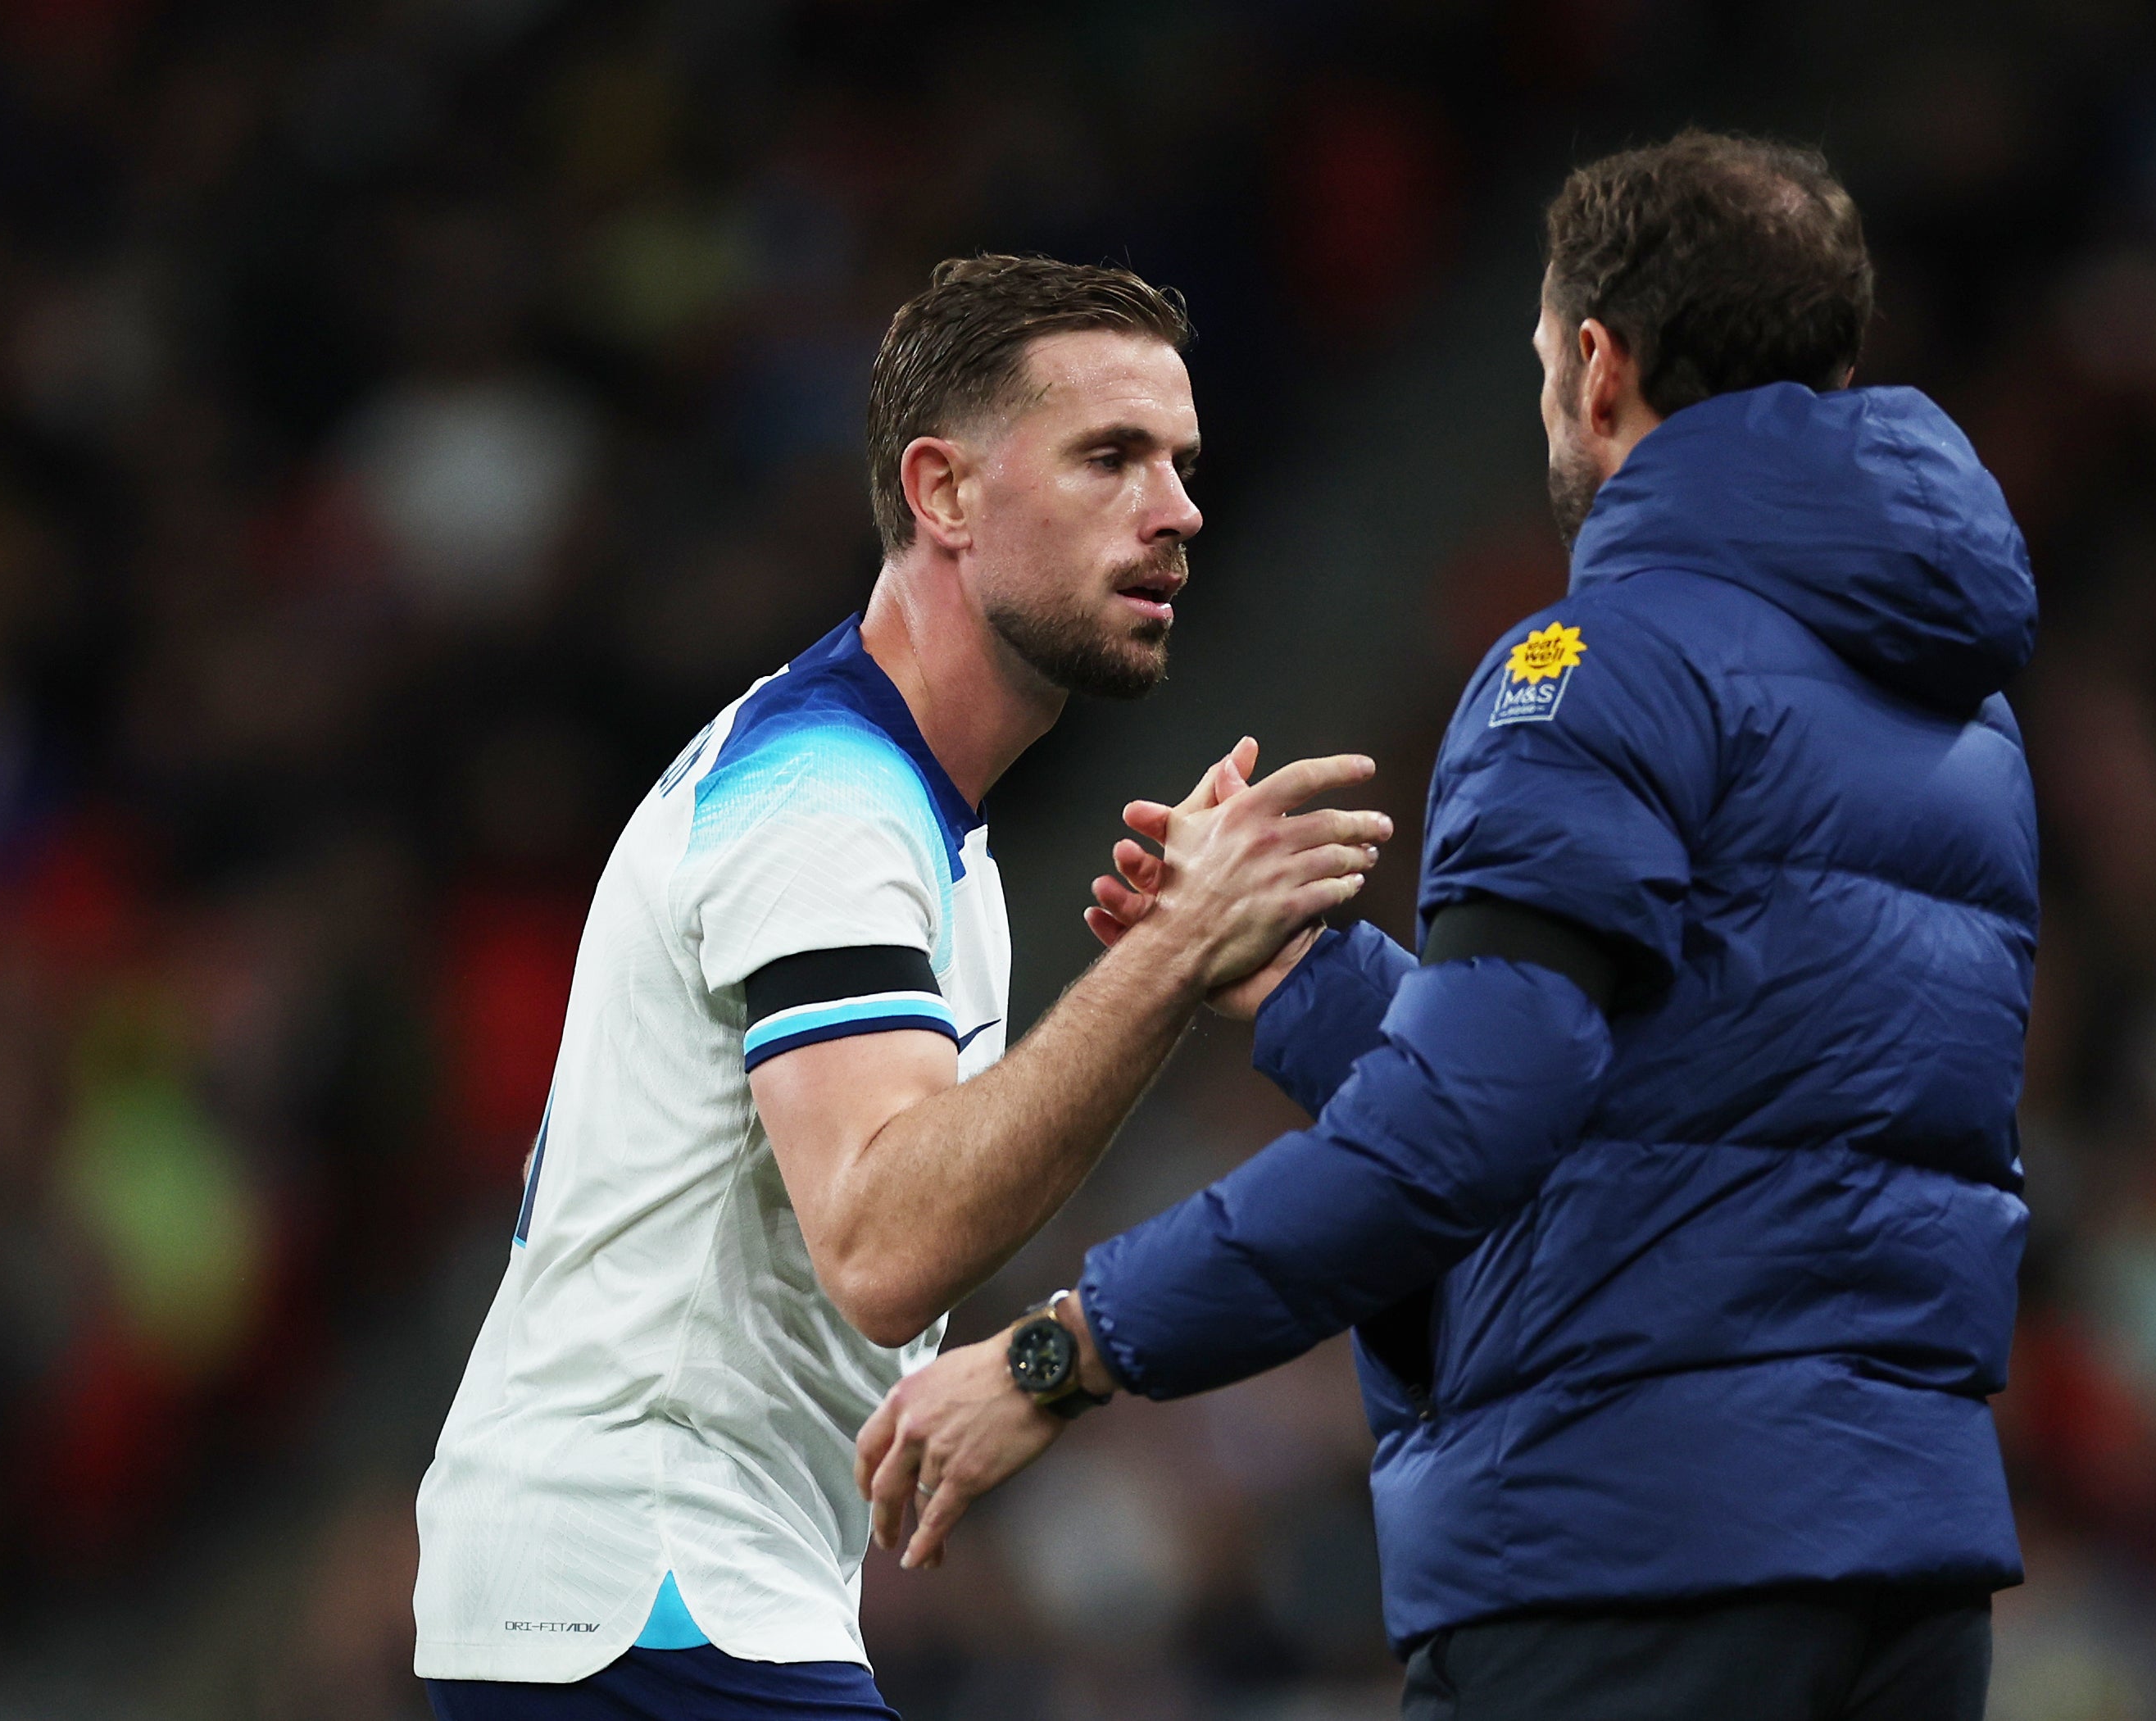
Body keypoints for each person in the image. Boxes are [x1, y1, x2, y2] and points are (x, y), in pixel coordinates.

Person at [858, 129, 2040, 1721]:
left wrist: (1068, 1351)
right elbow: (1661, 1110)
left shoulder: (1596, 664)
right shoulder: (1955, 714)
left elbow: (1470, 1128)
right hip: (1903, 1581)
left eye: (1546, 354)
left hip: (1627, 1562)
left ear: (1601, 366)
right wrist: (1305, 986)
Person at [411, 254, 1392, 1720]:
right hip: (650, 1596)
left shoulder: (911, 815)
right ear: (941, 494)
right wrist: (1170, 959)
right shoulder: (826, 804)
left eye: (1182, 465)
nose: (1178, 512)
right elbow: (884, 1242)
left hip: (651, 1598)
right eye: (1110, 457)